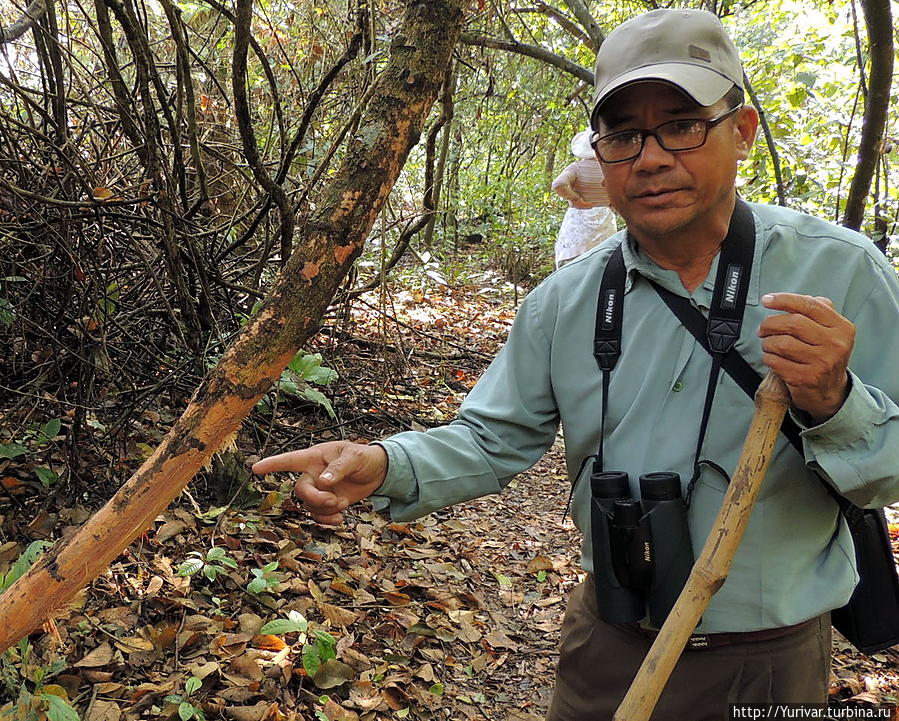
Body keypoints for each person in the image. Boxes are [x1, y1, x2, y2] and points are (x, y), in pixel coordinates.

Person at [253, 8, 899, 719]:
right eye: (623, 135)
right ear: (600, 155)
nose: (649, 158)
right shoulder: (565, 300)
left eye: (682, 124)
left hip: (766, 660)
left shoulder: (837, 274)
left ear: (740, 132)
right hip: (608, 642)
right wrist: (380, 463)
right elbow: (489, 438)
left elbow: (888, 473)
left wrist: (834, 400)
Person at [551, 129, 617, 267]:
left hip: (579, 220)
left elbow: (558, 184)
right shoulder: (609, 169)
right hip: (605, 220)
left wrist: (576, 199)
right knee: (603, 263)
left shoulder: (577, 168)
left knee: (573, 264)